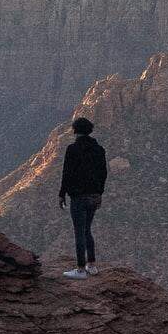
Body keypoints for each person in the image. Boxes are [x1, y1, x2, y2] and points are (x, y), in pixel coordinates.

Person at [57, 116, 107, 278]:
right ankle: (91, 265)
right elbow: (103, 174)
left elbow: (67, 173)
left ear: (75, 131)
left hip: (78, 196)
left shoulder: (72, 149)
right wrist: (99, 193)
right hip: (94, 196)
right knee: (87, 230)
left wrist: (62, 194)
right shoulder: (99, 150)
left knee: (79, 231)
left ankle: (80, 270)